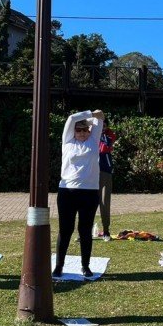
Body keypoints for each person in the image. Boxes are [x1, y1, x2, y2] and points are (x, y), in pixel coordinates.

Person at [54, 109, 105, 280]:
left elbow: (101, 117)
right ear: (73, 131)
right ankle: (59, 266)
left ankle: (85, 266)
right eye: (79, 130)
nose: (82, 133)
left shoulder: (93, 140)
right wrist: (90, 113)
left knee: (85, 230)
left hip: (89, 193)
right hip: (67, 192)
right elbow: (71, 118)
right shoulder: (67, 141)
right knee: (65, 230)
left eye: (85, 130)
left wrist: (94, 118)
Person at [97, 117, 118, 242]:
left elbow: (106, 147)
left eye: (104, 125)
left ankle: (106, 231)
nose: (102, 127)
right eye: (99, 125)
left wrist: (100, 133)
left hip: (105, 172)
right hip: (92, 173)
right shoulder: (89, 133)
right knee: (89, 203)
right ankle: (83, 231)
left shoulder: (110, 135)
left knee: (105, 203)